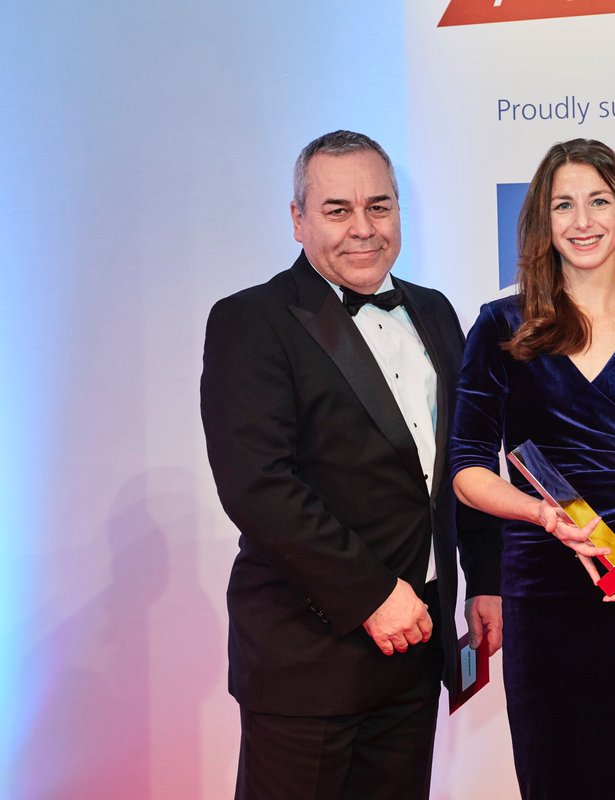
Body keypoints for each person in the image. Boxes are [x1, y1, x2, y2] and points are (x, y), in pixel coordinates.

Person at [200, 130, 502, 800]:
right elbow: (258, 484)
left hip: (416, 646)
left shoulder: (434, 310)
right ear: (298, 218)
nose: (363, 229)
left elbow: (462, 457)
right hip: (309, 654)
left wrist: (485, 577)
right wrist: (371, 595)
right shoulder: (251, 320)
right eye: (338, 210)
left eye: (380, 207)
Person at [449, 139, 615, 800]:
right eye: (563, 204)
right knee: (559, 777)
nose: (582, 219)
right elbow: (465, 465)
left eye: (599, 201)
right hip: (546, 587)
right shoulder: (500, 325)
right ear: (543, 223)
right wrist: (539, 512)